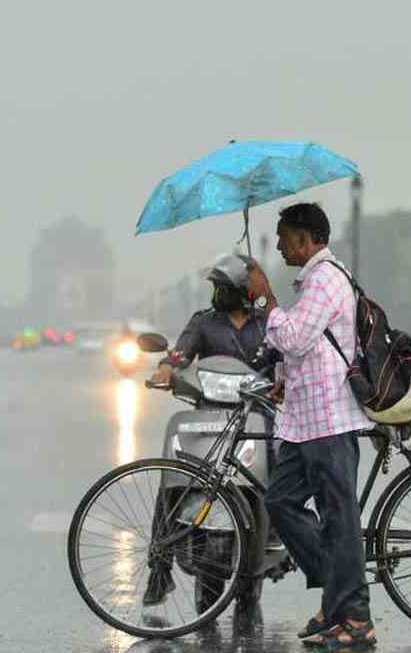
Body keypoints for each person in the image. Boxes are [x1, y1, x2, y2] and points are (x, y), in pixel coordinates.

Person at [245, 202, 377, 651]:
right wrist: (282, 378)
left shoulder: (325, 278)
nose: (279, 244)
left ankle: (355, 617)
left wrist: (264, 301)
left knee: (340, 520)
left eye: (284, 236)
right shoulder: (312, 281)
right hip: (304, 421)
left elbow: (296, 337)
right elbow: (307, 348)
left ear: (305, 238)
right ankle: (336, 593)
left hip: (329, 419)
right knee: (279, 501)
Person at [141, 252, 281, 606]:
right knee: (171, 476)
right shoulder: (203, 323)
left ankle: (279, 540)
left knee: (282, 474)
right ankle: (160, 568)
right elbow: (179, 354)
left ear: (243, 290)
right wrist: (166, 369)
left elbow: (287, 358)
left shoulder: (268, 324)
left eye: (223, 287)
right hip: (208, 416)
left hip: (257, 415)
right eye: (215, 287)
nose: (217, 294)